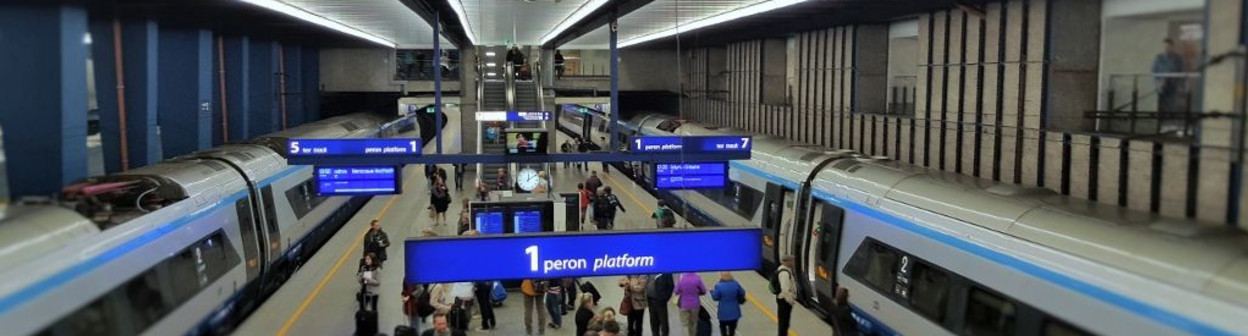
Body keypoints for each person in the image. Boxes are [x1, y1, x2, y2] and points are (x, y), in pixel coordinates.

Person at [1153, 38, 1185, 113]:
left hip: (1173, 87)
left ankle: (1171, 121)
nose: (1166, 48)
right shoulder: (1159, 58)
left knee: (1172, 108)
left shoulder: (1178, 58)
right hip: (1162, 87)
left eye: (1168, 46)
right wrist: (1158, 83)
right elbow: (1154, 72)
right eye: (1164, 47)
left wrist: (1180, 86)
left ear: (1172, 47)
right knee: (1162, 108)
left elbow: (1181, 72)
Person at [776, 255, 797, 336]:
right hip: (784, 301)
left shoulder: (784, 270)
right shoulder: (784, 273)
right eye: (792, 261)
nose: (793, 263)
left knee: (783, 322)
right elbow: (785, 289)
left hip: (782, 300)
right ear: (787, 262)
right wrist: (790, 301)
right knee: (784, 323)